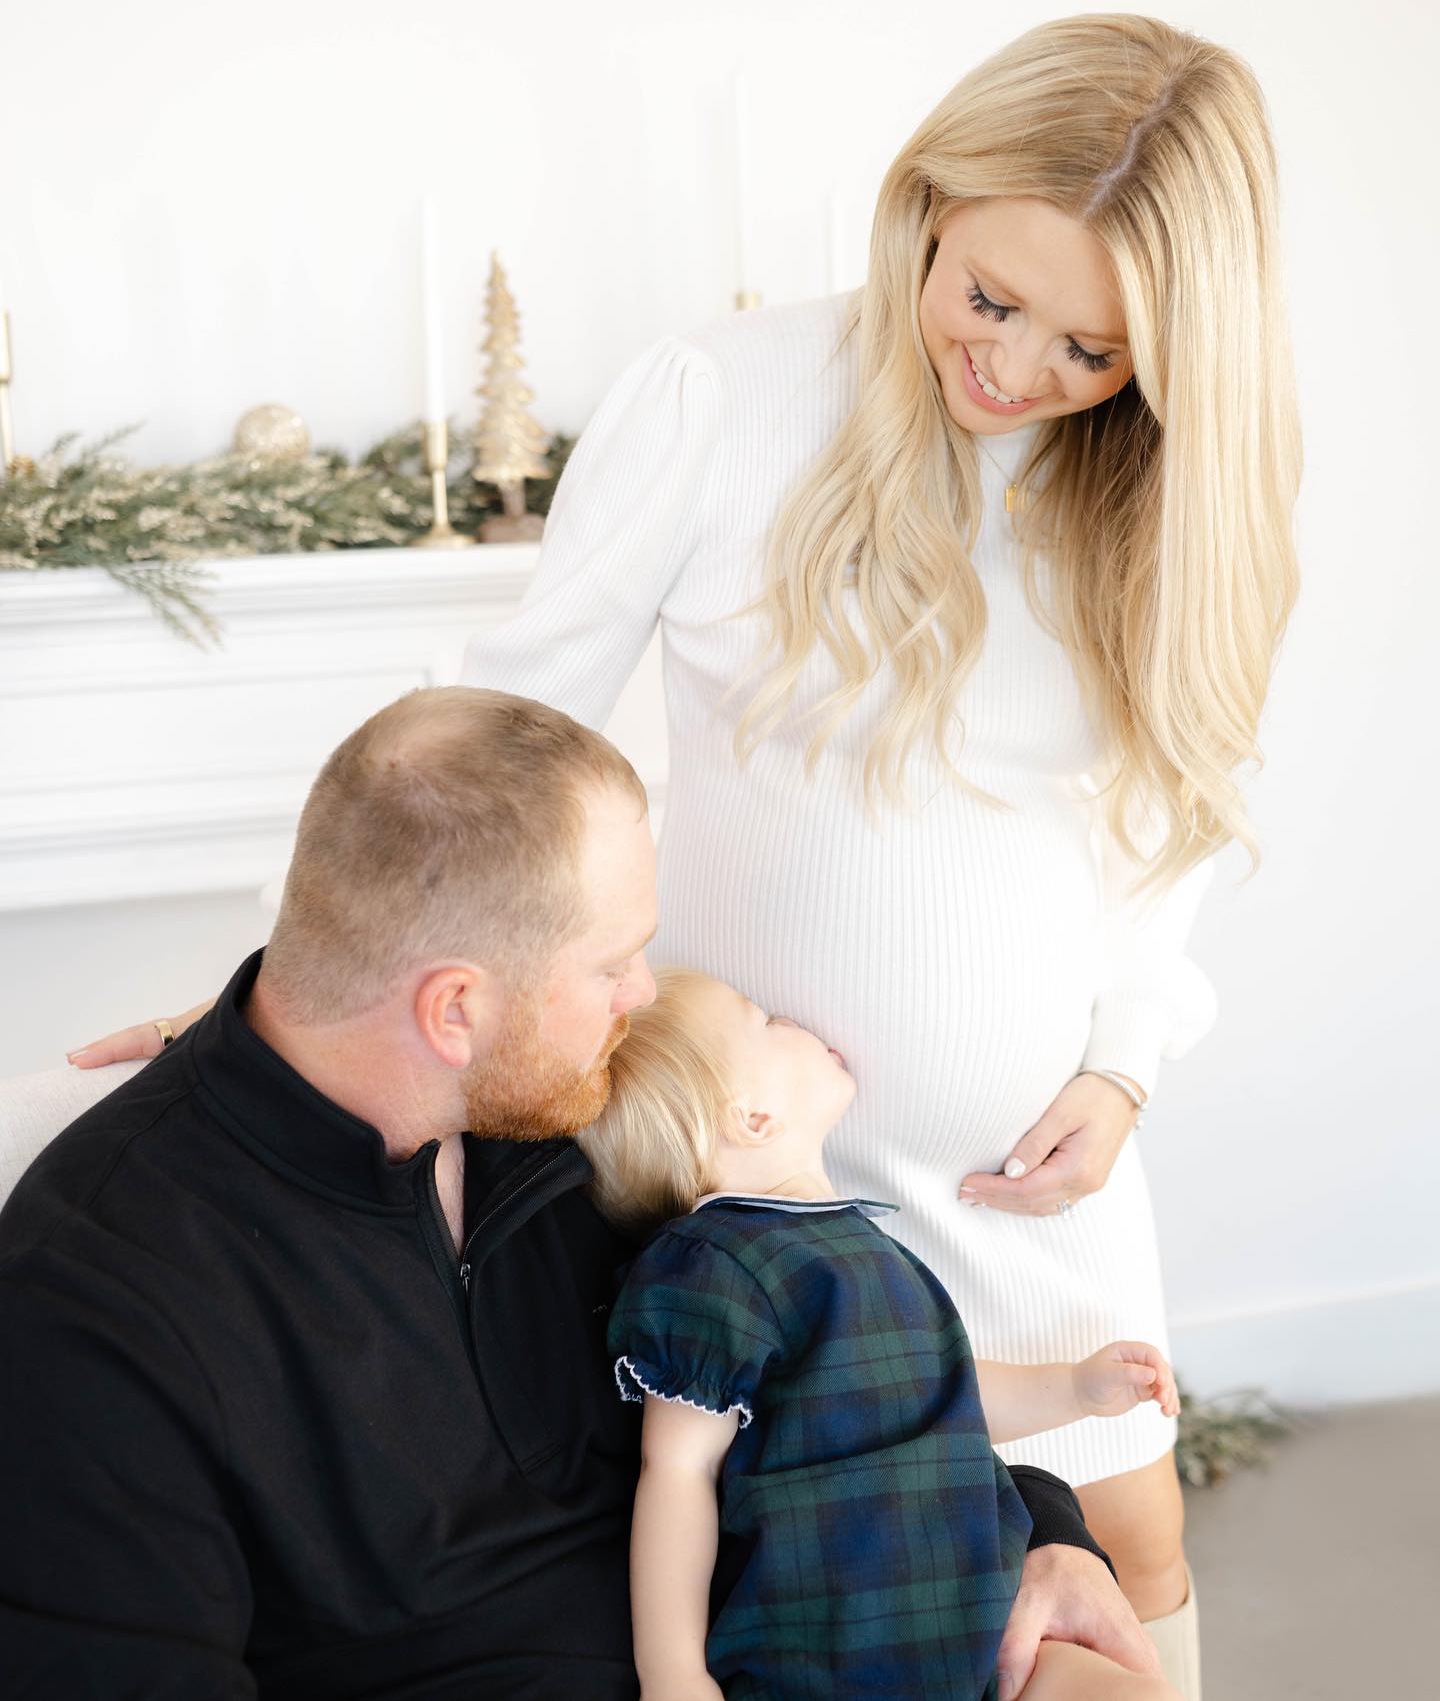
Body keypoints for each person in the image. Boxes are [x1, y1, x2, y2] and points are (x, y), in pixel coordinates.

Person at [70, 11, 1305, 1696]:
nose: (1014, 373)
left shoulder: (1157, 496)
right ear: (927, 203)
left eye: (1090, 352)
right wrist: (295, 991)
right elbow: (506, 730)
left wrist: (1126, 1059)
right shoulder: (724, 401)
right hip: (746, 1151)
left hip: (1034, 1176)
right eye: (992, 299)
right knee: (795, 1574)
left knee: (1114, 1557)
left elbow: (1173, 808)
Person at [8, 687, 1157, 1698]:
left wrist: (1048, 1536)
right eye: (613, 963)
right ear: (454, 1008)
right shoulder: (99, 1304)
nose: (643, 991)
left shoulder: (566, 1131)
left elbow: (821, 1379)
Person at [579, 967, 1184, 1701]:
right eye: (766, 1022)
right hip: (830, 1653)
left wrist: (1073, 1389)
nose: (795, 1020)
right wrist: (673, 1672)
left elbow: (944, 1392)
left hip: (985, 1627)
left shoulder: (861, 1244)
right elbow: (677, 1473)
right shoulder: (709, 1265)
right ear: (751, 1118)